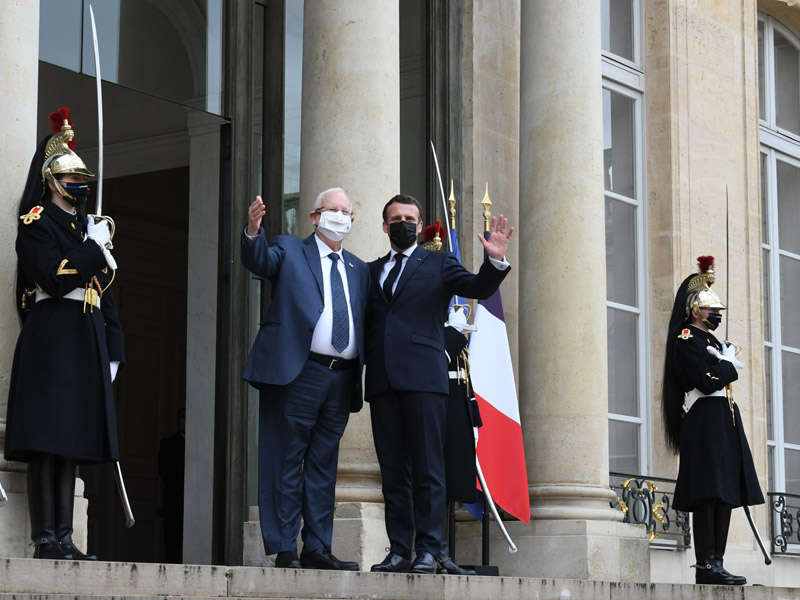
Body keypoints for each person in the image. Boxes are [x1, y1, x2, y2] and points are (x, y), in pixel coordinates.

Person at [366, 194, 512, 574]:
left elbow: (478, 286)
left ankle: (430, 549)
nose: (403, 223)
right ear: (385, 226)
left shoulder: (438, 261)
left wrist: (494, 261)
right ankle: (399, 550)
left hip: (426, 380)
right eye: (395, 218)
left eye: (409, 218)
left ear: (419, 224)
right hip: (383, 382)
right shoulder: (371, 271)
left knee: (430, 469)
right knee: (394, 472)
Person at [4, 108, 122, 560]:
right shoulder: (36, 224)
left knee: (71, 440)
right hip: (51, 339)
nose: (80, 184)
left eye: (82, 177)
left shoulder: (85, 227)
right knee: (47, 440)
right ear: (52, 182)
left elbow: (104, 292)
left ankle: (67, 537)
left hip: (83, 339)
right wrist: (93, 248)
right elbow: (55, 278)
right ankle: (45, 538)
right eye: (72, 178)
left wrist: (113, 348)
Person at [241, 187, 368, 570]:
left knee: (323, 466)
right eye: (333, 210)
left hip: (341, 378)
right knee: (286, 460)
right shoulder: (291, 249)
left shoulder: (358, 268)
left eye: (347, 211)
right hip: (299, 372)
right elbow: (260, 261)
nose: (341, 217)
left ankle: (317, 547)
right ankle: (284, 548)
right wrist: (252, 230)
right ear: (314, 217)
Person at [661, 256, 764, 585]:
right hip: (704, 420)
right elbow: (706, 382)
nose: (716, 315)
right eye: (711, 310)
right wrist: (729, 366)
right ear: (695, 310)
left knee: (725, 492)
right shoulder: (687, 340)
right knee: (707, 492)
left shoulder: (711, 342)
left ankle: (717, 561)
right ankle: (705, 564)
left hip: (723, 419)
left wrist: (724, 361)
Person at [158, 408, 186, 564]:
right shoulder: (168, 444)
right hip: (173, 498)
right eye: (181, 418)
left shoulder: (197, 445)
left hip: (192, 499)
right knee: (171, 539)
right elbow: (163, 471)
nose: (184, 421)